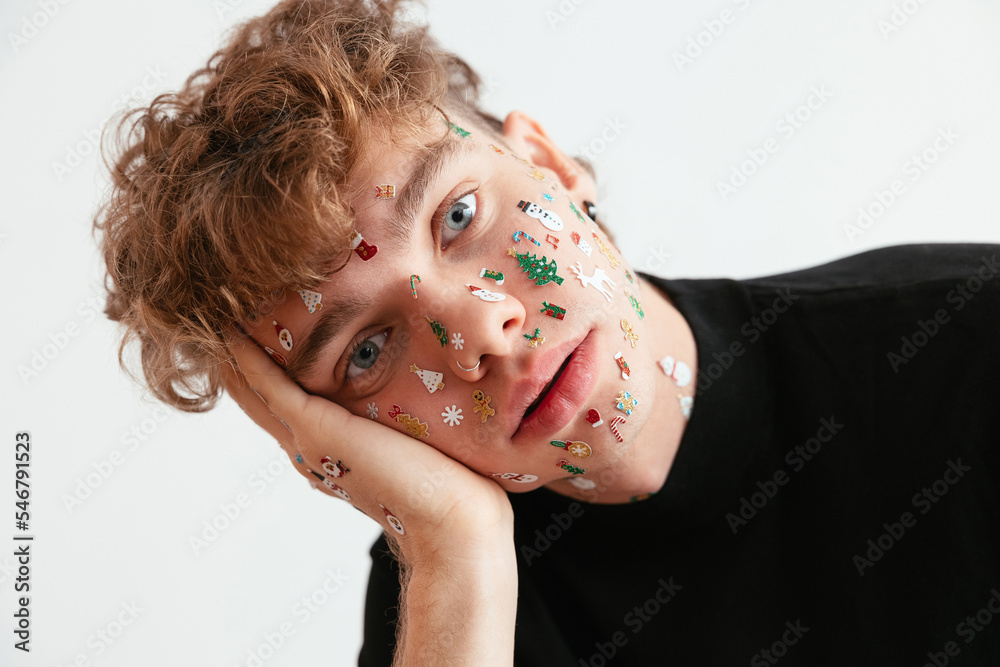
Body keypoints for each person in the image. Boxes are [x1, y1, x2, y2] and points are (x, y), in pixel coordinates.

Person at [94, 0, 1000, 664]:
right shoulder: (450, 601)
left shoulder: (968, 338)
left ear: (551, 162)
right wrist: (453, 557)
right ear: (330, 434)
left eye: (457, 217)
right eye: (368, 351)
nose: (482, 329)